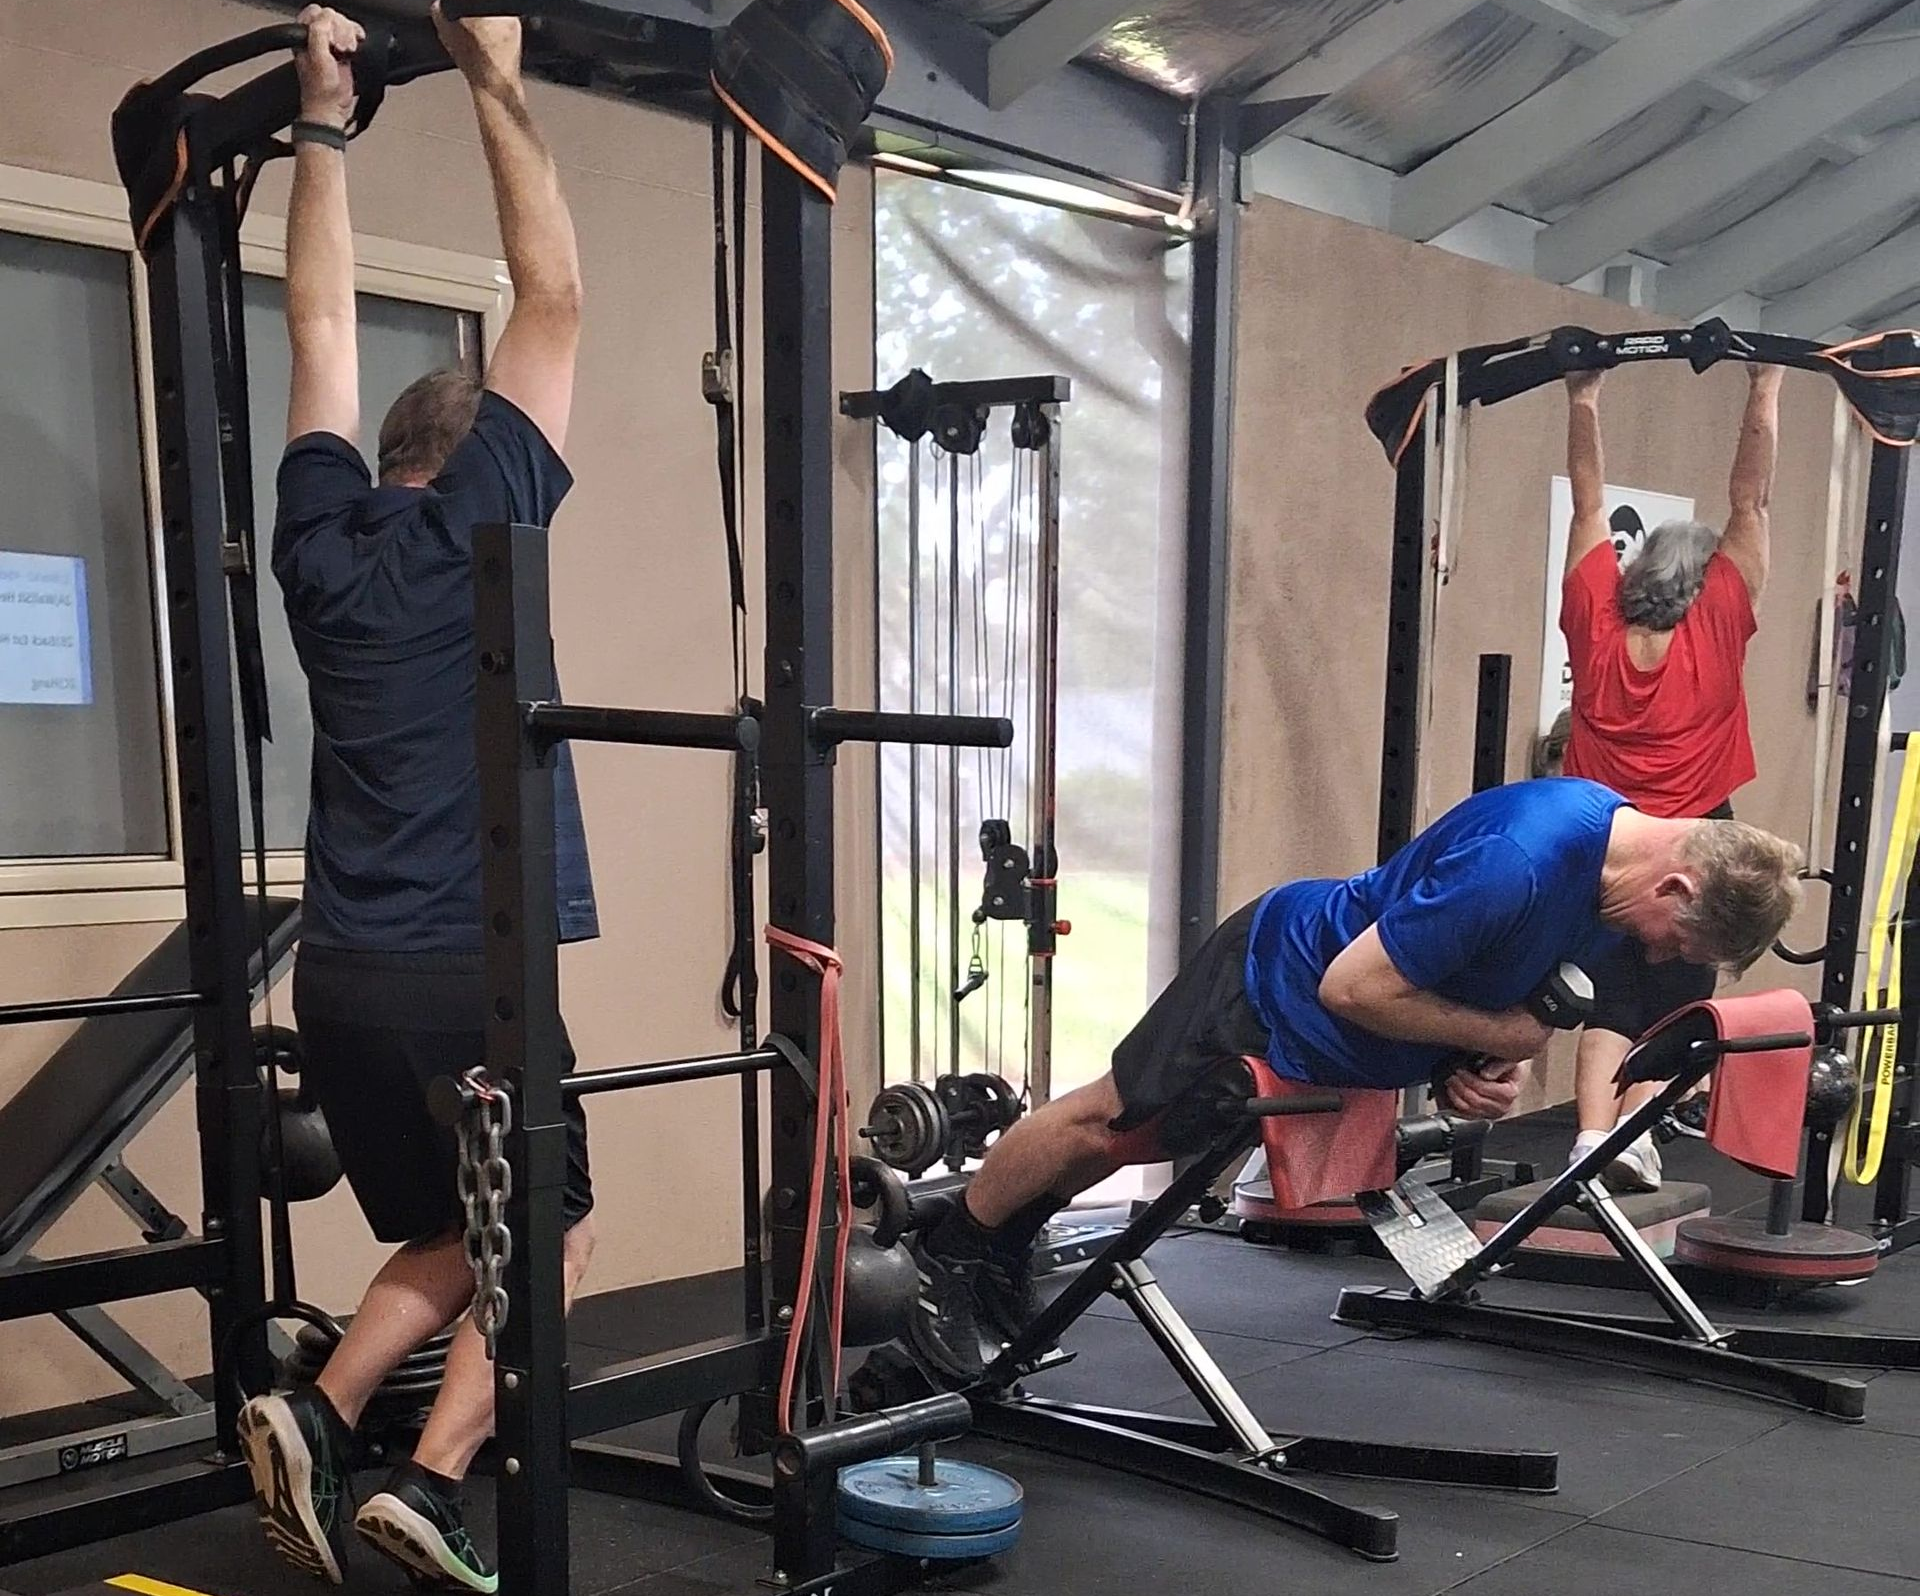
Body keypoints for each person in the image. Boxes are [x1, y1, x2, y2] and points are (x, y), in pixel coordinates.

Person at [236, 8, 595, 1590]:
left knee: (452, 1235)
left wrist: (322, 129)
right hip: (470, 967)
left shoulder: (322, 544)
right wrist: (493, 80)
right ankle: (438, 1475)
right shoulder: (489, 528)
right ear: (486, 459)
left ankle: (319, 1414)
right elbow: (556, 296)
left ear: (389, 457)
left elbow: (315, 328)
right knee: (551, 1227)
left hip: (344, 978)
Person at [905, 778, 1803, 1383]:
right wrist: (1500, 1032)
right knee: (1110, 1123)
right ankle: (946, 1259)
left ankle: (1000, 1246)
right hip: (1273, 981)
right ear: (1680, 886)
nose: (1658, 955)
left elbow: (1479, 983)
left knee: (1144, 1143)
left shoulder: (1614, 877)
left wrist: (1475, 1068)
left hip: (1347, 1040)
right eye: (1676, 942)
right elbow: (1355, 984)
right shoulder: (1523, 861)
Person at [1557, 362, 1782, 1190]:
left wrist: (1583, 396)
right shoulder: (1722, 610)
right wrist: (1764, 385)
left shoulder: (1593, 616)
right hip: (1695, 836)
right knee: (1679, 989)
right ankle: (1638, 1131)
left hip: (1603, 835)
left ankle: (1592, 1137)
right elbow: (1749, 501)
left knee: (1608, 989)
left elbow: (1588, 504)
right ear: (1707, 580)